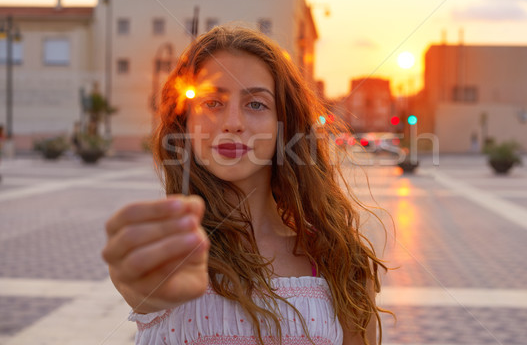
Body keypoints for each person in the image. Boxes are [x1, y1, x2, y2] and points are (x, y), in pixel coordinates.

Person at [102, 26, 388, 345]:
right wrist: (140, 279)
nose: (233, 122)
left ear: (284, 126)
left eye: (255, 104)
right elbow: (141, 289)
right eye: (212, 102)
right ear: (185, 123)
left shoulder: (338, 261)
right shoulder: (172, 253)